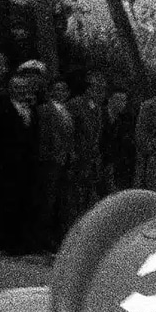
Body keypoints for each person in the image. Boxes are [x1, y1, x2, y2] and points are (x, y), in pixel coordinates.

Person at [0, 68, 40, 254]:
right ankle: (5, 241)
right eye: (17, 87)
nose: (21, 91)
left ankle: (21, 240)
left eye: (24, 87)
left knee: (24, 202)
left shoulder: (31, 108)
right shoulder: (0, 107)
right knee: (5, 202)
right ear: (10, 88)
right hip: (6, 163)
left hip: (27, 164)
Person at [37, 77, 75, 250]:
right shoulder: (44, 110)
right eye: (57, 90)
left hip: (65, 160)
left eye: (64, 90)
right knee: (48, 199)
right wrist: (47, 157)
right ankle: (44, 238)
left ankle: (58, 237)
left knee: (63, 199)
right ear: (51, 92)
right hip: (51, 161)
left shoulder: (68, 111)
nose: (60, 93)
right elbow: (43, 137)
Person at [67, 71, 107, 212]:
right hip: (77, 154)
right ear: (88, 87)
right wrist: (72, 152)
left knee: (89, 190)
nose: (98, 91)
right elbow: (70, 131)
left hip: (91, 156)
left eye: (101, 88)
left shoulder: (97, 108)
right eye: (95, 87)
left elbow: (97, 132)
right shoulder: (75, 104)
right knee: (75, 192)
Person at [103, 86, 135, 191]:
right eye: (117, 99)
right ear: (110, 99)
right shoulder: (100, 115)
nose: (121, 103)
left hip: (114, 161)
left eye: (123, 100)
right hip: (99, 159)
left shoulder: (123, 120)